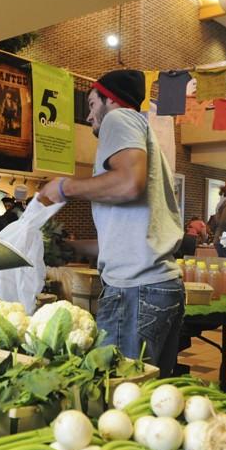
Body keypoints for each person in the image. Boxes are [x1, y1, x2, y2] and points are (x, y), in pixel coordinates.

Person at [41, 69, 184, 377]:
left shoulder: (118, 120)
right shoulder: (147, 140)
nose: (90, 116)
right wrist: (72, 247)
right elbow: (133, 237)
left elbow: (128, 184)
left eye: (92, 104)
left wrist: (64, 188)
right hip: (159, 288)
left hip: (136, 292)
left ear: (111, 101)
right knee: (147, 400)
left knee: (118, 396)